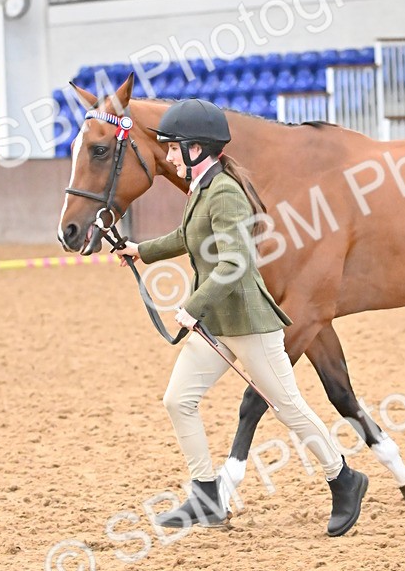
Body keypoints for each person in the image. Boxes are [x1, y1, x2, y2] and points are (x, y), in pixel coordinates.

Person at [116, 98, 368, 537]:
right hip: (216, 323)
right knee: (179, 400)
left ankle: (344, 478)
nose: (169, 156)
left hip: (247, 322)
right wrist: (142, 251)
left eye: (175, 148)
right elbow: (187, 236)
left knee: (289, 407)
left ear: (198, 149)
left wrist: (190, 308)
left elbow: (232, 264)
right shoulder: (203, 190)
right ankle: (206, 495)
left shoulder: (227, 193)